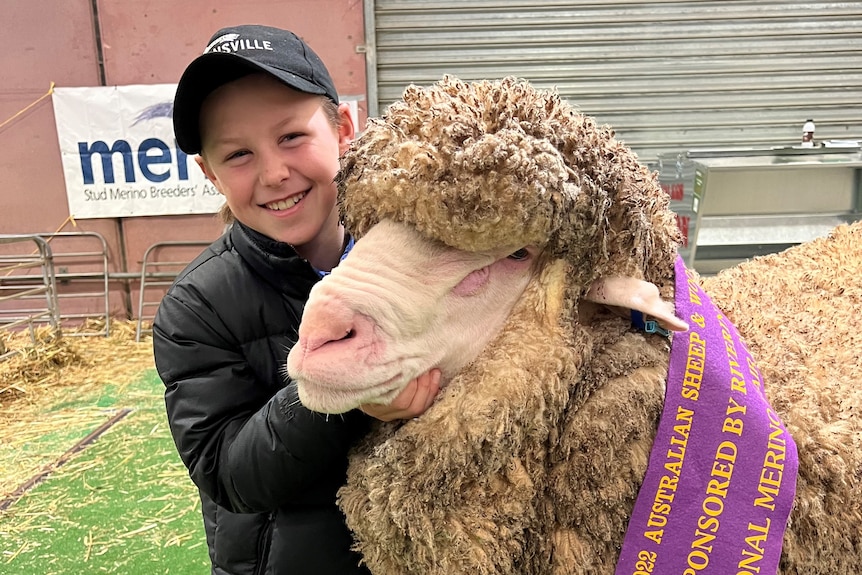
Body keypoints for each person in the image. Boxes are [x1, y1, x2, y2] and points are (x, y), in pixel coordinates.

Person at [153, 24, 440, 575]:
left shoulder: (419, 253)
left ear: (345, 129)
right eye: (238, 154)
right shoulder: (197, 305)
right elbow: (227, 473)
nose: (275, 172)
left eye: (291, 137)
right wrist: (343, 393)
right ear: (209, 174)